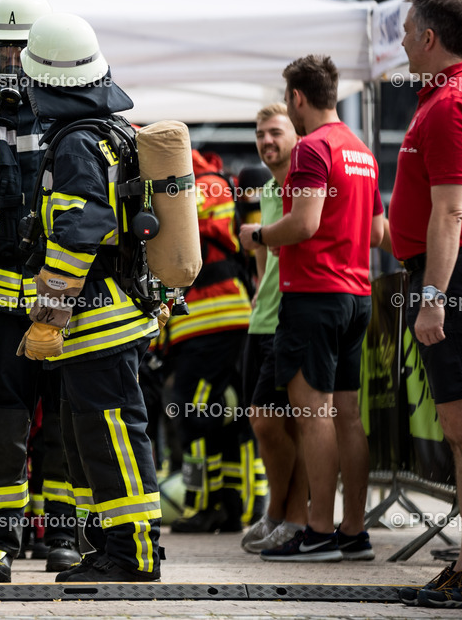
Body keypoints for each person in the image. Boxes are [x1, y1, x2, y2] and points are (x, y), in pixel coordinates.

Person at [16, 12, 163, 582]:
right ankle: (106, 548)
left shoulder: (78, 143)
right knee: (89, 440)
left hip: (98, 318)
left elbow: (79, 233)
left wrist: (50, 317)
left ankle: (134, 553)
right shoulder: (106, 133)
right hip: (108, 313)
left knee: (114, 435)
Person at [0, 0, 81, 581]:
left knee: (60, 419)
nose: (8, 62)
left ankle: (63, 535)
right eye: (0, 50)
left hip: (56, 301)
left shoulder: (69, 116)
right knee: (0, 422)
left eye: (19, 49)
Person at [241, 54, 384, 563]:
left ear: (297, 98)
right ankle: (353, 531)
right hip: (357, 295)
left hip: (314, 296)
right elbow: (379, 233)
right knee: (348, 417)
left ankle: (318, 530)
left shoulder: (313, 150)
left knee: (314, 416)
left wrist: (257, 233)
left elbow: (302, 225)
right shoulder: (361, 150)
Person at [389, 0, 462, 609]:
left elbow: (450, 212)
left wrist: (433, 298)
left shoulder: (450, 103)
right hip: (454, 275)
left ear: (428, 37)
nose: (399, 39)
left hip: (456, 277)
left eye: (405, 29)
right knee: (461, 433)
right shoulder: (446, 97)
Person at [164, 150, 253, 534]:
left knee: (193, 412)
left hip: (214, 318)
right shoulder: (200, 183)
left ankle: (203, 504)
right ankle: (230, 505)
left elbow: (181, 223)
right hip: (208, 321)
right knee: (224, 415)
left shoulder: (205, 184)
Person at [238, 103, 307, 555]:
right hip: (262, 320)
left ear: (294, 134)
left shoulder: (305, 183)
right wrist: (259, 302)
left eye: (275, 132)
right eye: (261, 134)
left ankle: (287, 514)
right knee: (263, 421)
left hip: (296, 318)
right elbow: (264, 262)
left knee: (275, 422)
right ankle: (280, 512)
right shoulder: (265, 188)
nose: (267, 142)